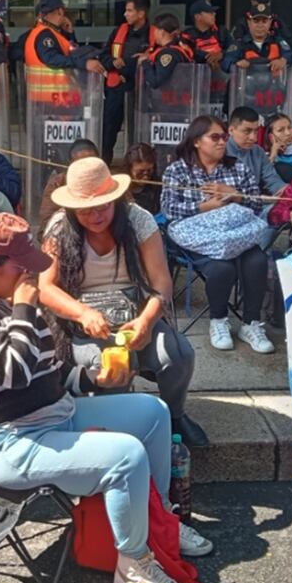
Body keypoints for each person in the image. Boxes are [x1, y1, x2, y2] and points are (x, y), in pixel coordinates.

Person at [0, 213, 214, 583]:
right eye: (24, 269)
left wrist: (91, 379)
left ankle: (158, 523)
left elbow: (49, 369)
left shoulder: (6, 299)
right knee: (126, 456)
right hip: (10, 442)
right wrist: (22, 310)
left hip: (55, 416)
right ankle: (134, 567)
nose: (32, 278)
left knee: (153, 413)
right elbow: (12, 374)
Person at [40, 157, 208, 446]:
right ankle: (117, 428)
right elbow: (45, 287)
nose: (95, 216)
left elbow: (161, 283)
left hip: (135, 315)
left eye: (103, 206)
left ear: (115, 199)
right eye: (86, 211)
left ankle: (174, 414)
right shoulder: (58, 227)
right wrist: (82, 313)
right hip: (84, 326)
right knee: (107, 365)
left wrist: (146, 320)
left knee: (178, 354)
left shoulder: (138, 219)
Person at [161, 115, 275, 354]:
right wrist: (203, 207)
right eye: (215, 137)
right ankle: (218, 320)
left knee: (257, 261)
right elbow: (169, 209)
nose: (222, 142)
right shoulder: (178, 170)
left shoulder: (238, 167)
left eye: (224, 137)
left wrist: (235, 195)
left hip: (237, 235)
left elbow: (256, 207)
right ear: (196, 141)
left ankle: (251, 323)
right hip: (200, 237)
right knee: (222, 268)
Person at [100, 0, 154, 165]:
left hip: (140, 90)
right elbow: (104, 56)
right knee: (108, 131)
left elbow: (160, 57)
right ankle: (104, 166)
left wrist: (140, 60)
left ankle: (137, 170)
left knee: (137, 132)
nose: (125, 14)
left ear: (141, 13)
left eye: (129, 11)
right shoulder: (118, 31)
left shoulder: (154, 33)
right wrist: (113, 62)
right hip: (116, 88)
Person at [23, 0, 106, 99]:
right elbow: (52, 59)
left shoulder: (51, 33)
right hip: (52, 100)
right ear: (60, 11)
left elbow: (71, 52)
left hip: (51, 100)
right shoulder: (45, 35)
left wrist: (70, 33)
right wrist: (85, 63)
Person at [225, 105, 287, 202]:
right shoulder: (219, 151)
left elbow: (272, 180)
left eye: (256, 131)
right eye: (247, 131)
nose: (253, 138)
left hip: (256, 205)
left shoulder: (258, 151)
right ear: (231, 130)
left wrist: (288, 192)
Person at [38, 138, 100, 229]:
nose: (87, 169)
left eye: (91, 163)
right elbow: (47, 222)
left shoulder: (107, 181)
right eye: (81, 165)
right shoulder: (57, 184)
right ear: (71, 164)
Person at [222, 1, 292, 74]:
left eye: (264, 21)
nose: (260, 25)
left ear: (270, 22)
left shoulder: (277, 41)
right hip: (247, 85)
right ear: (249, 22)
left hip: (273, 85)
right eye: (256, 21)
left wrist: (283, 60)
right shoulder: (240, 44)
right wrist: (237, 64)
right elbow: (226, 63)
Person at [140, 13, 196, 89]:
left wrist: (144, 63)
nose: (154, 33)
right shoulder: (180, 48)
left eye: (155, 30)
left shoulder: (168, 53)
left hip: (173, 98)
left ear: (162, 32)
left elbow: (155, 82)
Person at [183, 0, 232, 72]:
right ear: (197, 16)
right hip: (197, 78)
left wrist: (221, 54)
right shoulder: (186, 35)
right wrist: (209, 58)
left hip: (221, 77)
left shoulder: (222, 31)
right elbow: (188, 53)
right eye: (210, 12)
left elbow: (235, 49)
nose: (214, 14)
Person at [125, 142, 160, 214]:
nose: (145, 176)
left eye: (149, 171)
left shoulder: (159, 186)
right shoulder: (119, 188)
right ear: (129, 169)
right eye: (140, 171)